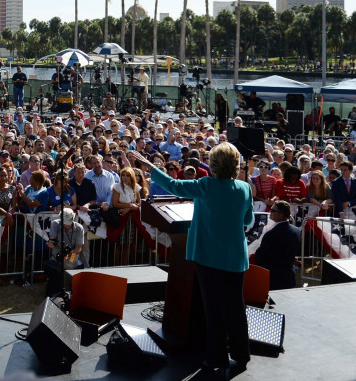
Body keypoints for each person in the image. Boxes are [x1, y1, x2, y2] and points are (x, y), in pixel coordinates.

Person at [129, 144, 252, 371]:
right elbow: (247, 220)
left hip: (209, 257)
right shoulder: (245, 188)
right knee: (235, 306)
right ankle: (241, 353)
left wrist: (148, 167)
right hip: (235, 257)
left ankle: (217, 358)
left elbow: (174, 185)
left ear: (214, 165)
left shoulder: (206, 185)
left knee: (213, 308)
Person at [253, 201, 301, 291]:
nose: (270, 212)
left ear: (281, 215)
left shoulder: (272, 234)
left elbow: (260, 257)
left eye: (272, 210)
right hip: (289, 278)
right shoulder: (296, 231)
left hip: (274, 280)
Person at [43, 208, 85, 297]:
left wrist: (68, 255)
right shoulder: (55, 224)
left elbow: (78, 248)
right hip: (57, 255)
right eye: (65, 223)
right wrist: (51, 244)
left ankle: (71, 292)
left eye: (68, 223)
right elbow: (52, 240)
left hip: (72, 255)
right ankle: (51, 295)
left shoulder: (79, 228)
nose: (67, 225)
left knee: (74, 267)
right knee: (52, 269)